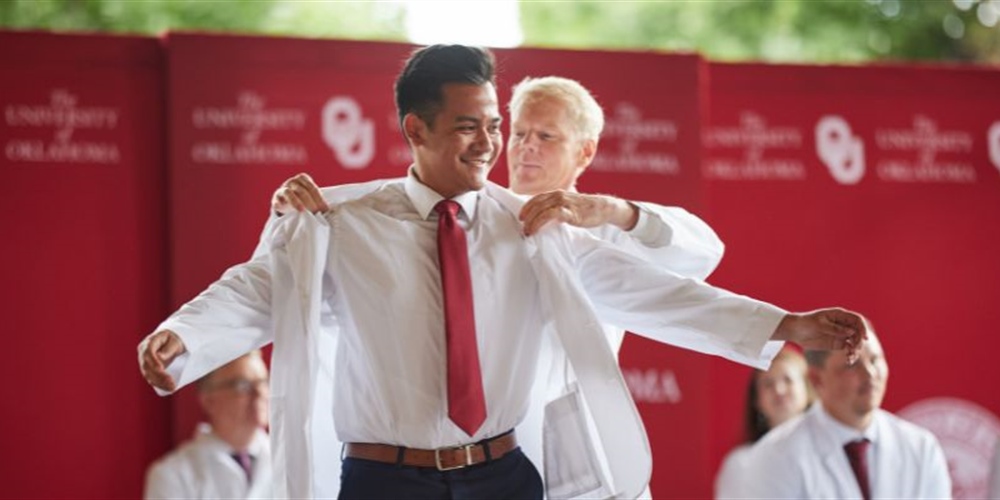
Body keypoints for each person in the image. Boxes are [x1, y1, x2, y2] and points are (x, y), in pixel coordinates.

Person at [138, 44, 867, 499]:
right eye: (472, 126)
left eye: (497, 124)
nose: (492, 144)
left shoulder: (535, 228)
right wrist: (184, 335)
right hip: (387, 482)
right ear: (414, 130)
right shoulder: (342, 225)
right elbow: (256, 287)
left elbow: (657, 291)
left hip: (509, 477)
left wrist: (785, 326)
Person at [271, 75, 725, 499]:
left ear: (585, 153)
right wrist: (291, 218)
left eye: (546, 137)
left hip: (577, 455)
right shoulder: (468, 223)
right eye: (521, 132)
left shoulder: (603, 233)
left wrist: (618, 212)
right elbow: (310, 280)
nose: (527, 148)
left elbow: (702, 252)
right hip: (472, 460)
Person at [741, 326, 951, 498]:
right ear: (816, 380)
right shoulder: (775, 455)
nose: (869, 374)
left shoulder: (921, 447)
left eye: (876, 360)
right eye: (852, 364)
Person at [144, 351, 271, 499]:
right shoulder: (172, 474)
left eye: (263, 382)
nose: (259, 393)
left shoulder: (292, 458)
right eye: (243, 385)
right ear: (208, 400)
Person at [714, 347, 813, 498]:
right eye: (768, 384)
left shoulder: (834, 451)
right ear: (756, 401)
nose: (779, 390)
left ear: (807, 388)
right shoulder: (741, 463)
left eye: (788, 380)